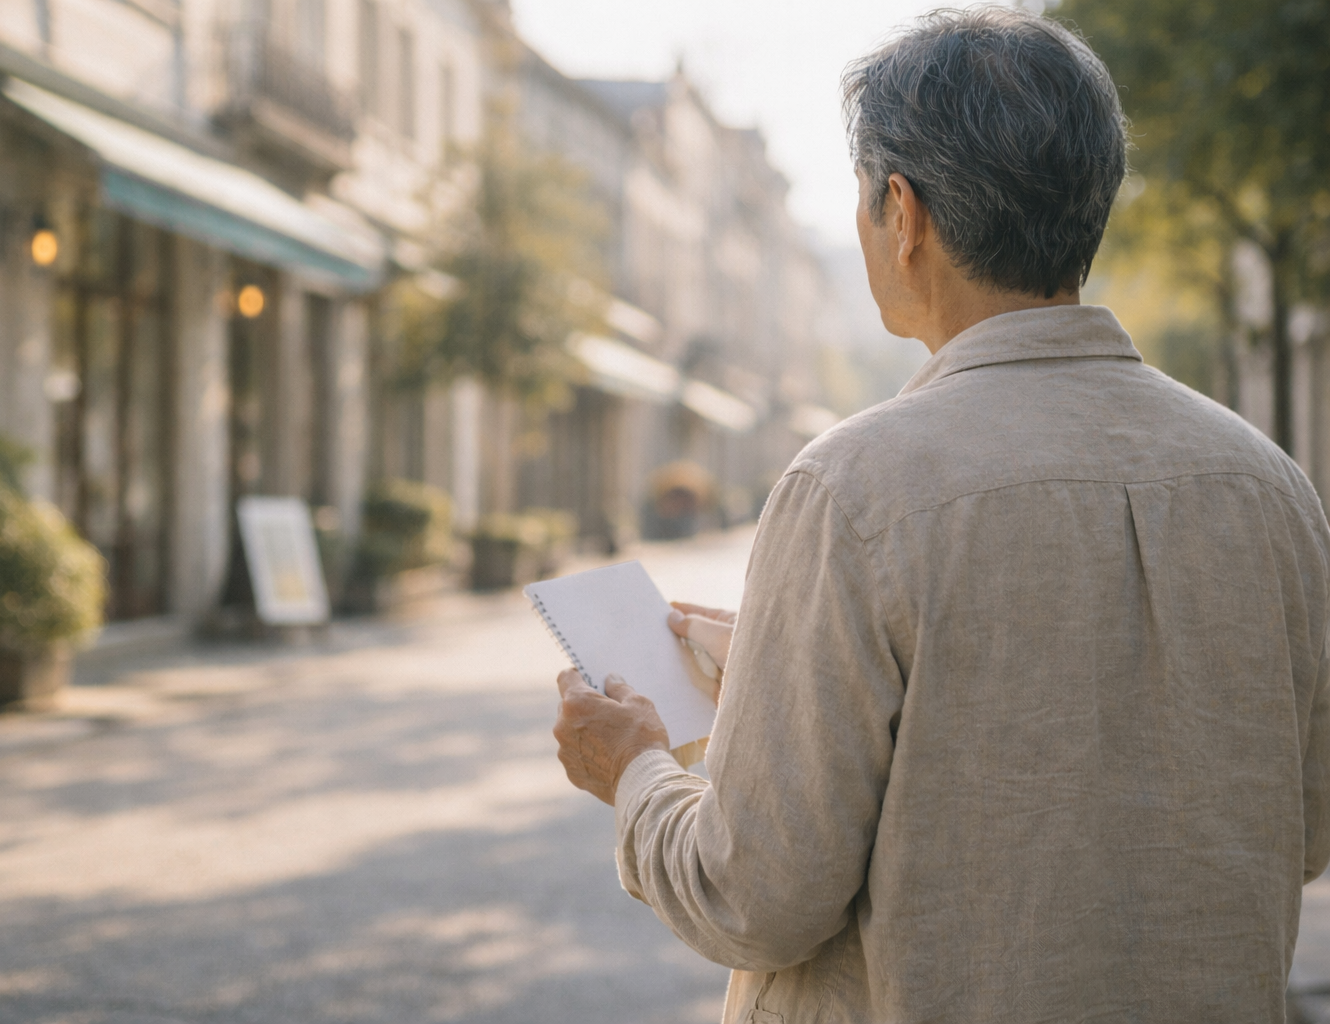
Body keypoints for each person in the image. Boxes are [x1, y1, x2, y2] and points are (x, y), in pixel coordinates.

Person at [551, 8, 1330, 1023]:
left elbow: (753, 897)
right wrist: (787, 679)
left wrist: (635, 769)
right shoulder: (1269, 485)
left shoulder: (853, 487)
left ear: (904, 213)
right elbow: (1298, 818)